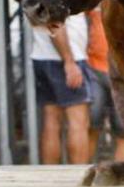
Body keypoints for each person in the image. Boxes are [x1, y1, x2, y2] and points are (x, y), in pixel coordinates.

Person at [34, 12, 92, 164]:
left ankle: (50, 174)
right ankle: (78, 174)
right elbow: (54, 23)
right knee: (78, 122)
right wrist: (69, 61)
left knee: (51, 121)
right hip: (66, 58)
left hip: (41, 55)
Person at [86, 7, 124, 162]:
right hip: (94, 68)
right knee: (90, 128)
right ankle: (82, 175)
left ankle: (123, 178)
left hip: (123, 71)